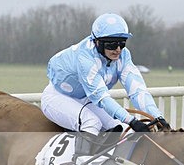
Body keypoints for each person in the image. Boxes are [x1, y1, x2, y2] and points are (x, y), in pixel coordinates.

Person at [40, 13, 170, 157]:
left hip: (86, 98)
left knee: (122, 127)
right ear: (97, 42)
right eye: (112, 44)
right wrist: (132, 120)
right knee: (91, 122)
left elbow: (137, 91)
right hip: (57, 97)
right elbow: (102, 98)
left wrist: (158, 117)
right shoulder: (86, 58)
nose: (118, 49)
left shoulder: (124, 56)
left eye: (122, 43)